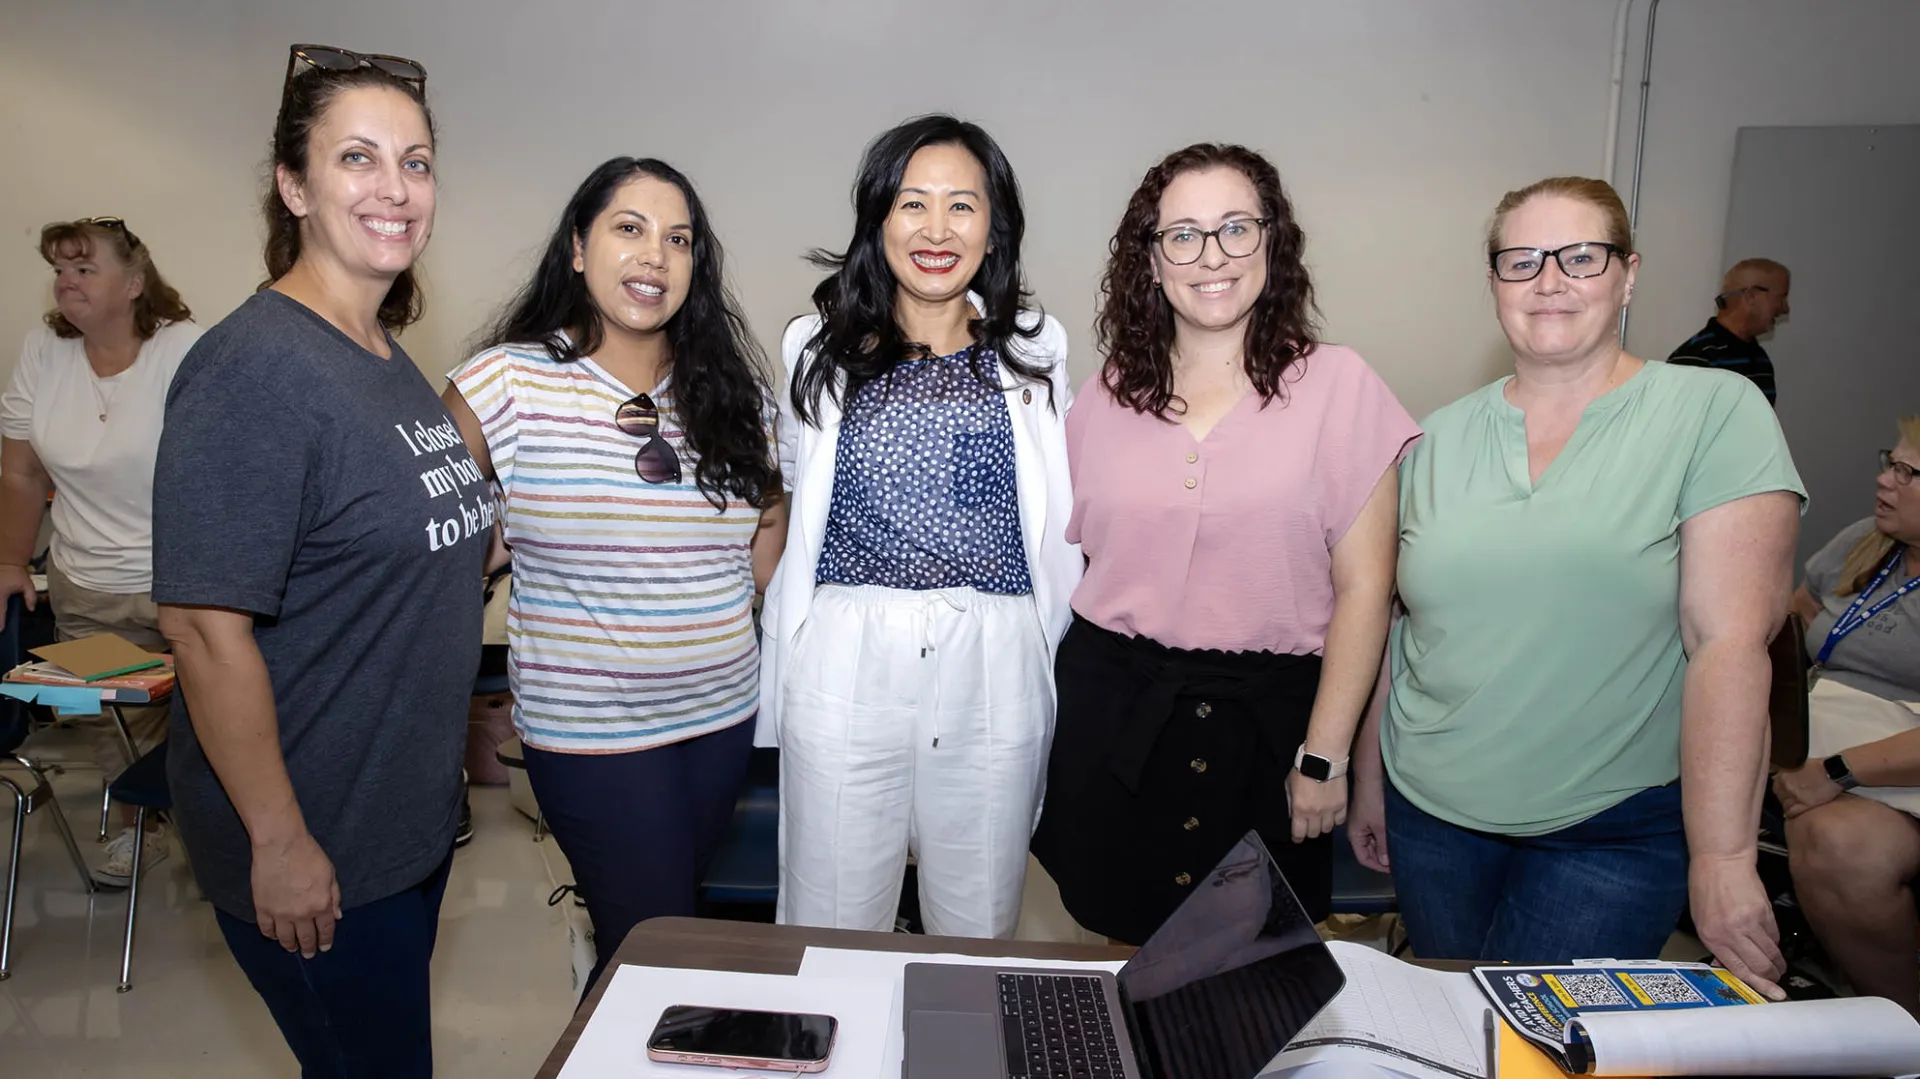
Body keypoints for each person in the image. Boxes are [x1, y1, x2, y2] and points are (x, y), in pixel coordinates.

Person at [1349, 177, 1805, 996]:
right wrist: (1369, 778)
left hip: (1613, 827)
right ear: (1493, 284)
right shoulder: (1431, 437)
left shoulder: (1712, 410)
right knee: (1458, 1025)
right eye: (1520, 260)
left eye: (1580, 256)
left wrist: (1727, 855)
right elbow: (1397, 626)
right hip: (1432, 813)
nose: (1549, 279)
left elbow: (1729, 644)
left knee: (1543, 1043)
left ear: (1628, 275)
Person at [152, 45, 488, 1076]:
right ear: (294, 185)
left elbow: (386, 535)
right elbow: (205, 629)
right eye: (358, 158)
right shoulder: (255, 369)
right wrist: (281, 842)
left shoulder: (381, 355)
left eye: (417, 162)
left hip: (398, 820)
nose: (395, 188)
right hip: (317, 839)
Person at [1029, 144, 1416, 945]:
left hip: (1269, 732)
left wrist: (1325, 757)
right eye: (1184, 235)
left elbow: (1367, 594)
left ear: (1273, 242)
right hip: (1119, 715)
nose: (1212, 256)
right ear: (1150, 257)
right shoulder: (1102, 400)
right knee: (1124, 959)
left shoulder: (1341, 388)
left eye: (1236, 228)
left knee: (1250, 978)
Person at [444, 157, 785, 991]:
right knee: (662, 944)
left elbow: (770, 513)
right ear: (575, 248)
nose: (654, 256)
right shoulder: (507, 383)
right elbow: (429, 535)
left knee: (659, 924)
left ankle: (607, 982)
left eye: (678, 239)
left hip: (719, 717)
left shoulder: (732, 393)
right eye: (628, 229)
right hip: (594, 731)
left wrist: (749, 601)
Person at [761, 114, 1078, 938]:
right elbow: (791, 498)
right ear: (877, 218)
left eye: (962, 206)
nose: (937, 230)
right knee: (829, 923)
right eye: (912, 204)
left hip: (995, 657)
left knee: (976, 926)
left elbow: (1062, 517)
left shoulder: (1038, 350)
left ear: (994, 226)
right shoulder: (815, 346)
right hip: (847, 654)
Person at [0, 216, 199, 885]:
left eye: (85, 268)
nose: (66, 282)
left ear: (135, 282)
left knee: (201, 716)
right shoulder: (43, 351)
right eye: (60, 269)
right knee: (98, 716)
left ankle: (211, 827)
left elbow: (223, 471)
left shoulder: (182, 350)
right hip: (82, 582)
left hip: (179, 580)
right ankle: (139, 827)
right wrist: (8, 559)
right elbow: (22, 472)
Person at [1774, 418, 1920, 1020]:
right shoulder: (1868, 541)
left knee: (1838, 845)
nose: (1884, 479)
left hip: (1886, 761)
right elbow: (1791, 620)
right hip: (1814, 733)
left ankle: (1902, 1027)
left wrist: (1832, 770)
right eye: (1891, 460)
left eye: (1908, 473)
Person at [1666, 257, 1791, 405]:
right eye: (1781, 297)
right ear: (1752, 295)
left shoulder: (1761, 360)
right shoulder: (1695, 358)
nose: (1785, 309)